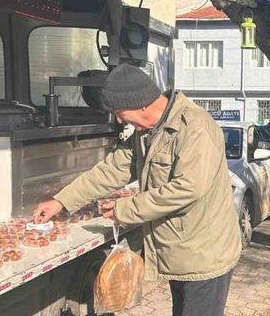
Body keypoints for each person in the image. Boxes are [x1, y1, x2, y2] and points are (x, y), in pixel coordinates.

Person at [32, 64, 241, 316]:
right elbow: (111, 170)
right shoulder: (147, 132)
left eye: (120, 112)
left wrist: (126, 209)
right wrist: (61, 201)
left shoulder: (194, 127)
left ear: (141, 103)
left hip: (205, 255)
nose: (119, 120)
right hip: (183, 253)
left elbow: (187, 189)